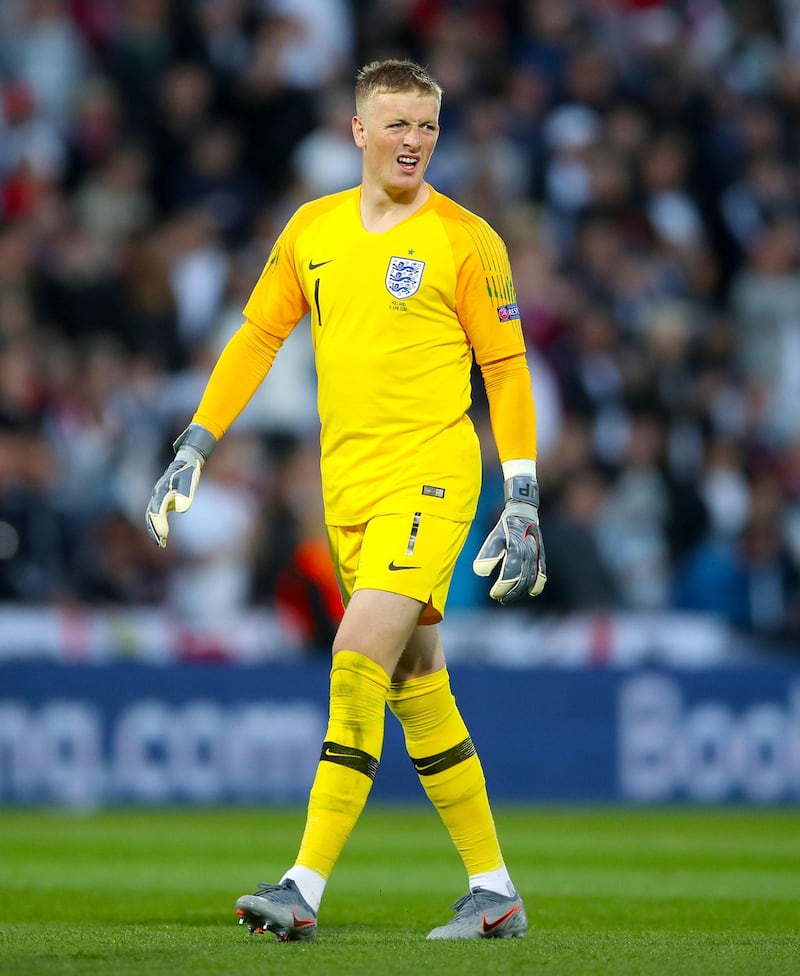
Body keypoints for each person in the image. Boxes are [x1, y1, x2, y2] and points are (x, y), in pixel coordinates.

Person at [146, 58, 546, 942]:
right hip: (349, 487)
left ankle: (303, 885)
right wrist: (197, 440)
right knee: (416, 683)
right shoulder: (313, 230)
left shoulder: (466, 239)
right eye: (397, 124)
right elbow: (257, 334)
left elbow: (507, 371)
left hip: (435, 473)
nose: (414, 142)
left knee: (355, 652)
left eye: (428, 127)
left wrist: (521, 493)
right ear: (358, 131)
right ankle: (495, 891)